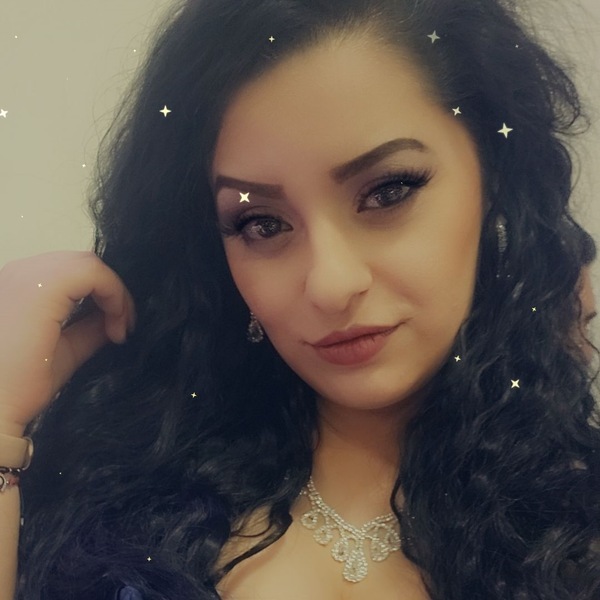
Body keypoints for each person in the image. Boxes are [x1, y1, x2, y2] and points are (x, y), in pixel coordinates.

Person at [0, 0, 599, 598]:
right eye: (261, 224)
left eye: (388, 191)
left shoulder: (574, 518)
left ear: (495, 180)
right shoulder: (126, 492)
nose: (331, 285)